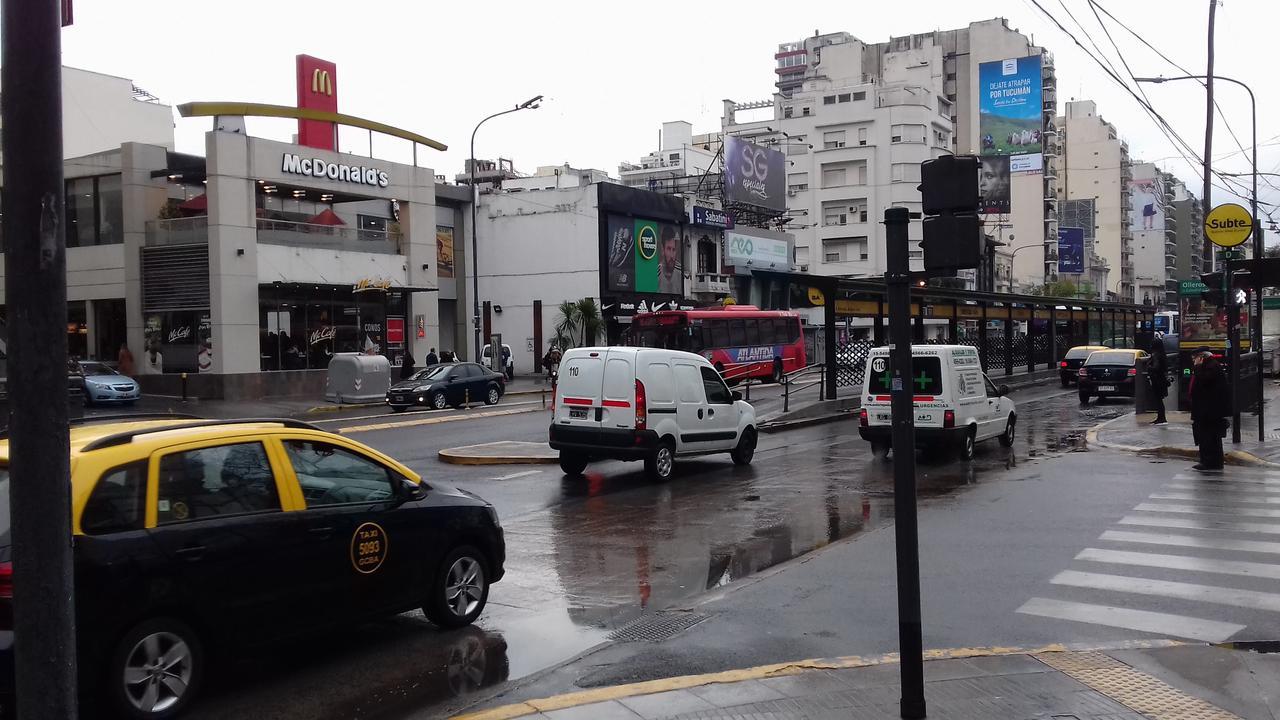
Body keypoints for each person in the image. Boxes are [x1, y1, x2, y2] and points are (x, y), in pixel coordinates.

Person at [1189, 350, 1229, 472]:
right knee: (1209, 436)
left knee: (1208, 436)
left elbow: (1204, 381)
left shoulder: (1210, 367)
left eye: (1194, 358)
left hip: (1208, 410)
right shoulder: (1210, 366)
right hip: (1208, 409)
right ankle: (1210, 461)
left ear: (1201, 357)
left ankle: (1209, 461)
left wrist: (1197, 367)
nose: (1193, 361)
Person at [1146, 337, 1170, 425]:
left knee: (1158, 399)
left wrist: (1149, 367)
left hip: (1157, 380)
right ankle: (1161, 417)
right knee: (1159, 399)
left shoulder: (1156, 355)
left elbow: (1156, 367)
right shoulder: (1162, 354)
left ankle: (1161, 418)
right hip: (1161, 379)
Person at [657, 226, 682, 295]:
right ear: (662, 249)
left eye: (673, 250)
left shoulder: (680, 273)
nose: (672, 255)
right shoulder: (655, 275)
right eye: (668, 249)